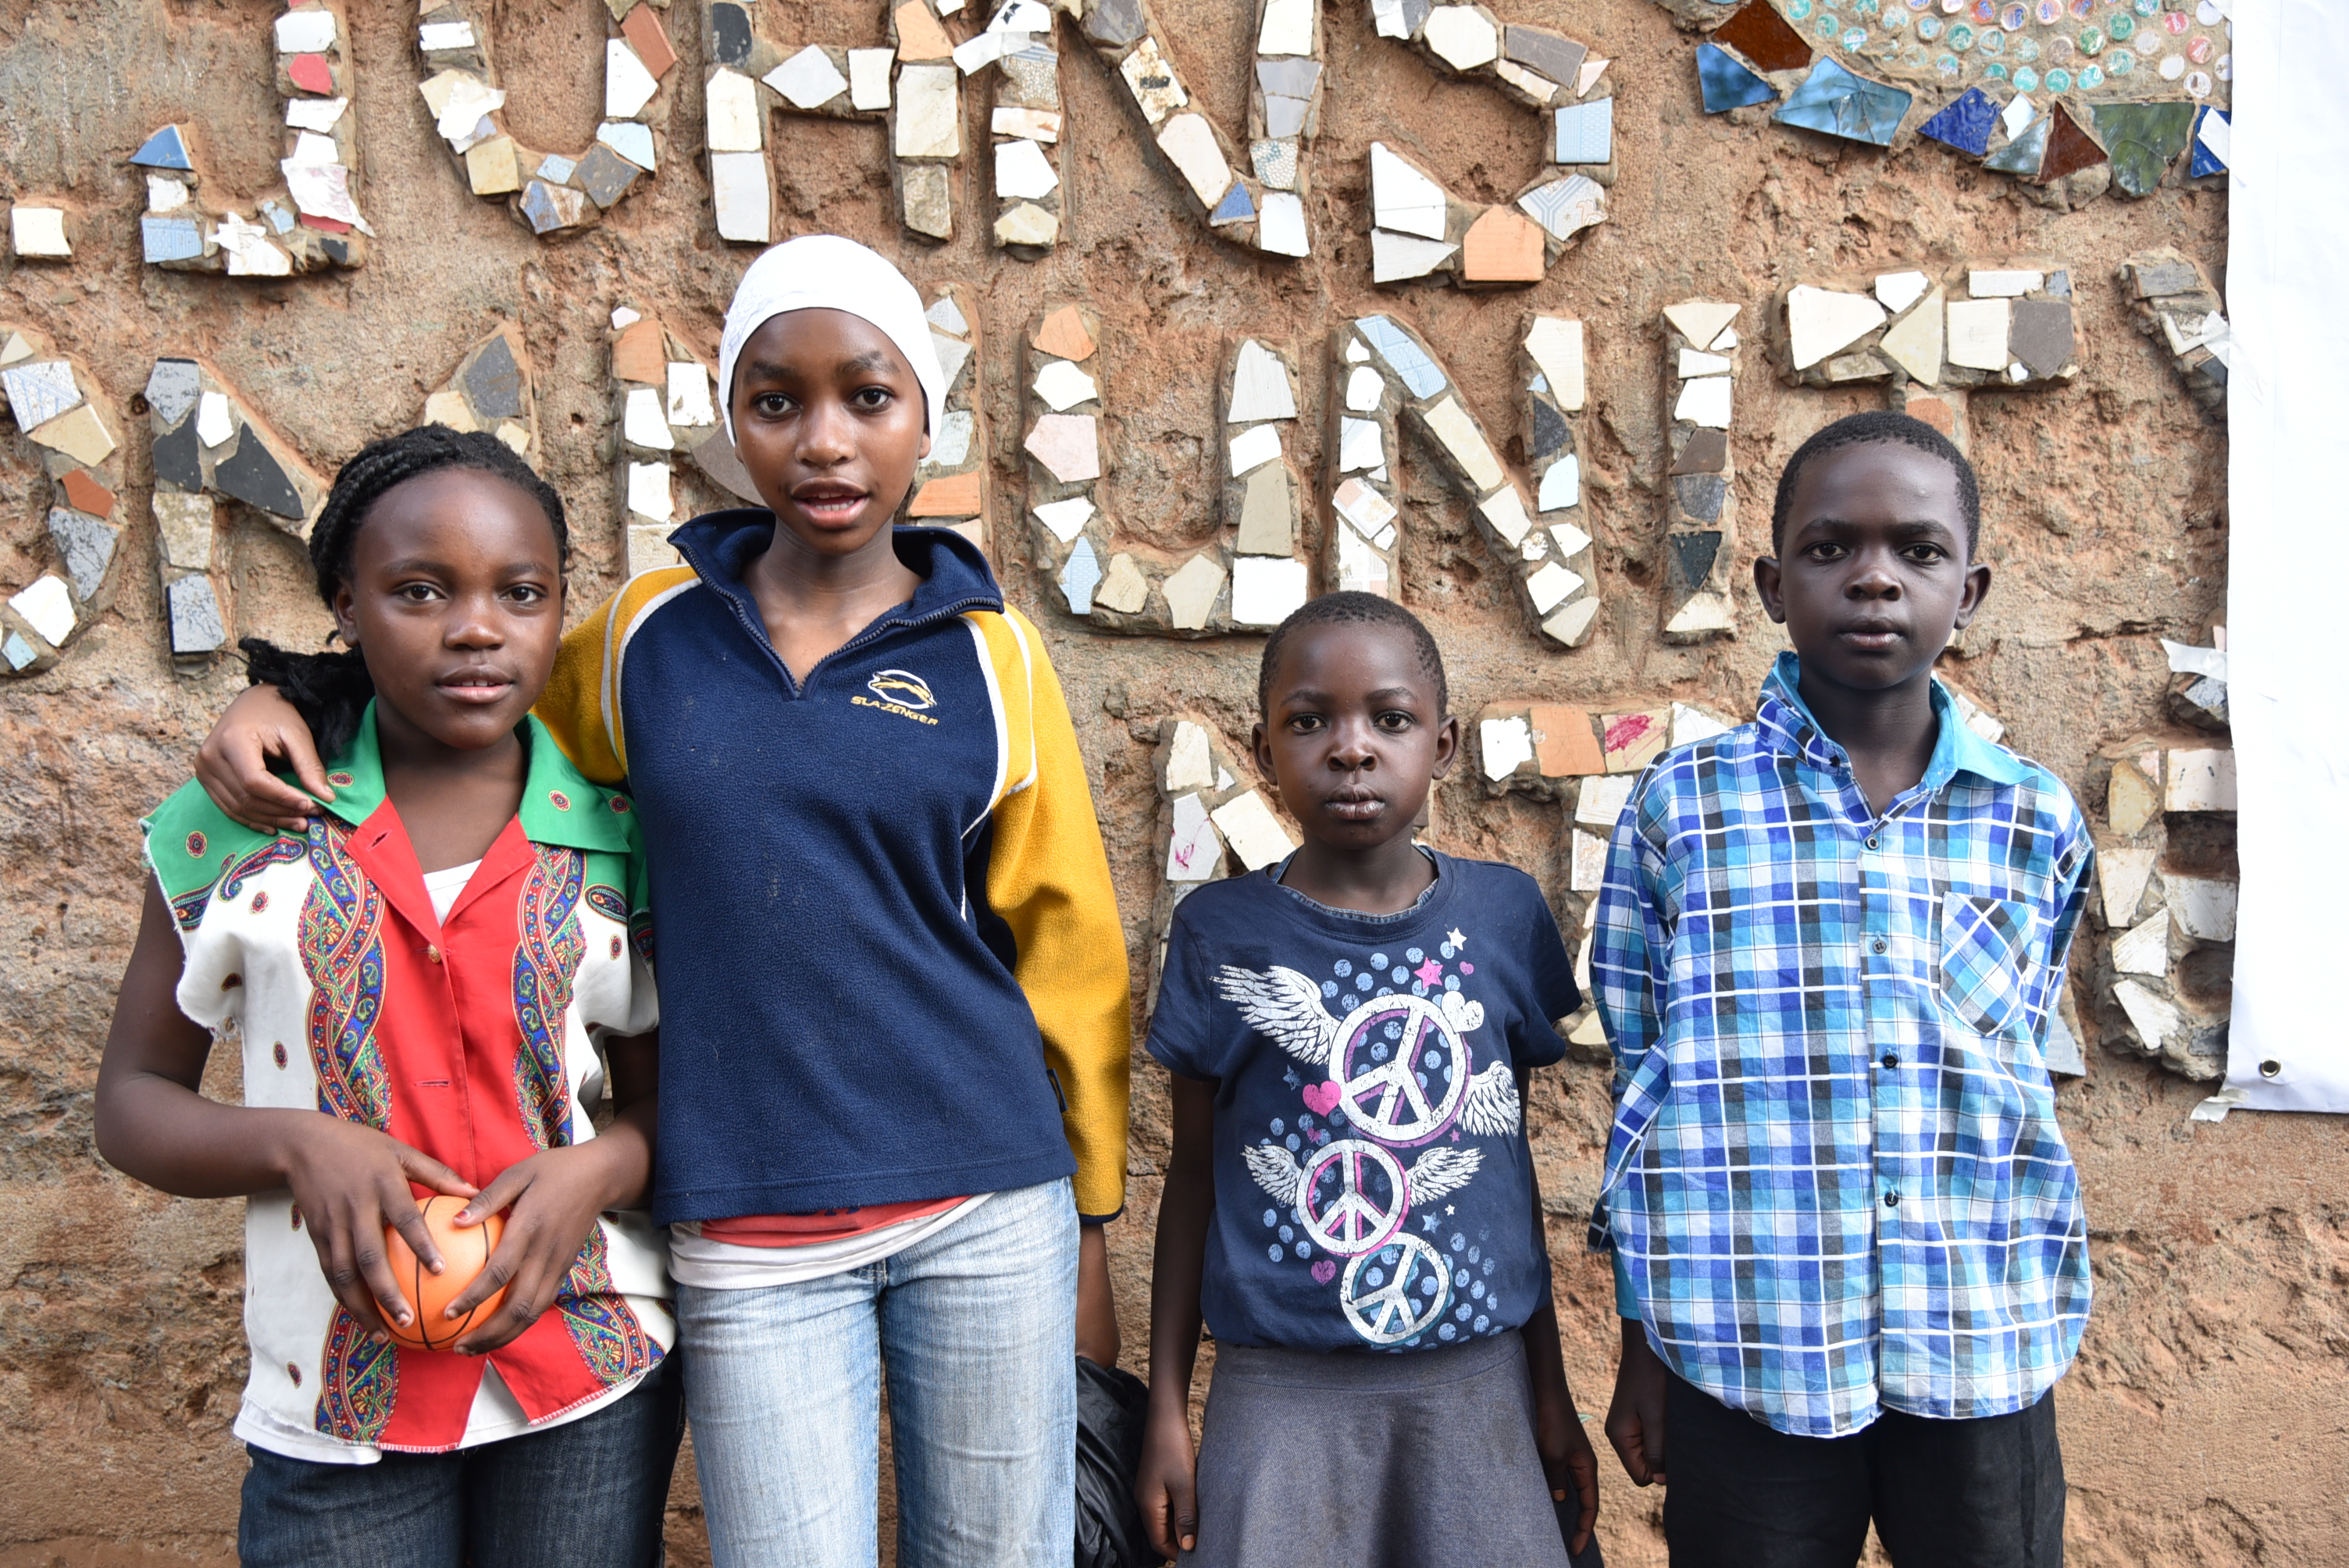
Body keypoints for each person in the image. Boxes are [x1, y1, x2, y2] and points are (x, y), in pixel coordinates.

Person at [186, 235, 1131, 1567]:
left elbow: (1071, 944)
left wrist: (1090, 1211)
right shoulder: (645, 634)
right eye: (775, 399)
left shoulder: (993, 657)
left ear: (927, 414)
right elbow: (467, 691)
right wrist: (288, 692)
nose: (823, 440)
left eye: (868, 397)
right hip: (741, 1208)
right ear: (729, 420)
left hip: (983, 1191)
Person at [94, 426, 682, 1566]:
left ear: (559, 612)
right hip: (337, 1403)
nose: (476, 627)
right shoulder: (240, 832)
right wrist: (299, 1147)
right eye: (419, 590)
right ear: (346, 605)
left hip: (587, 1370)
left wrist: (598, 1169)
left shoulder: (619, 841)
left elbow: (676, 1100)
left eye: (522, 592)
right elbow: (131, 1100)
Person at [1592, 411, 2094, 1567]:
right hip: (1749, 1351)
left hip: (1982, 1339)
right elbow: (1644, 1091)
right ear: (1772, 584)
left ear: (1968, 591)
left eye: (1916, 552)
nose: (1874, 579)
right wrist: (1643, 1343)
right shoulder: (1684, 810)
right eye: (1831, 550)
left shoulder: (2034, 819)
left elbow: (2020, 1050)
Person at [1135, 591, 1602, 1566]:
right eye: (1309, 722)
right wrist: (1166, 1412)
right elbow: (1190, 1180)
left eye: (1389, 720)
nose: (1351, 749)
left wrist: (1549, 1394)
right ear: (1264, 751)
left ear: (1441, 743)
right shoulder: (1221, 933)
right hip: (1278, 1394)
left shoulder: (1503, 916)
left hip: (1473, 1387)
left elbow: (1503, 1172)